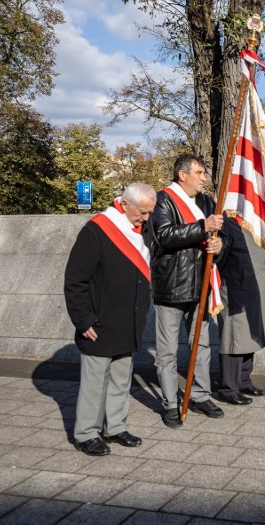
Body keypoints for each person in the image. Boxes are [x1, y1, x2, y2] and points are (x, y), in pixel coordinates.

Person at [64, 182, 157, 456]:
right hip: (99, 322)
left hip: (128, 320)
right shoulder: (97, 230)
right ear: (124, 204)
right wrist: (83, 320)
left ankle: (115, 427)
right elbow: (75, 280)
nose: (147, 218)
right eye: (142, 212)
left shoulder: (142, 228)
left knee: (120, 378)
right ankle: (86, 434)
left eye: (150, 212)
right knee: (95, 382)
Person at [150, 153, 225, 427]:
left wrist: (219, 246)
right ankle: (170, 403)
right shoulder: (163, 200)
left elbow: (221, 236)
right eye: (199, 173)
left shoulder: (206, 202)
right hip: (170, 285)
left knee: (201, 344)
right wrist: (203, 226)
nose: (204, 178)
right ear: (182, 174)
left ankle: (201, 395)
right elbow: (165, 236)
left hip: (201, 283)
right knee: (167, 351)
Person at [215, 217, 265, 405]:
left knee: (251, 332)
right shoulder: (227, 220)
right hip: (235, 285)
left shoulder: (253, 218)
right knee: (234, 337)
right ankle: (228, 388)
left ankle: (243, 380)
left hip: (255, 285)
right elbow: (220, 254)